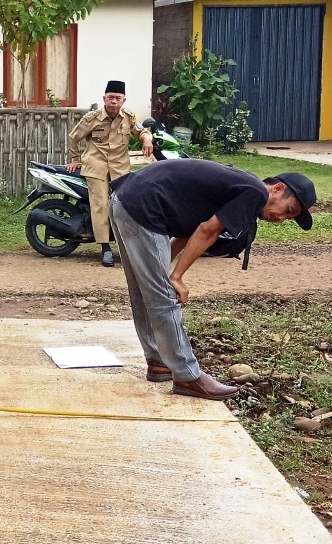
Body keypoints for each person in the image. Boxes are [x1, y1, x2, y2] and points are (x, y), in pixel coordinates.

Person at [108, 158, 316, 401]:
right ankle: (188, 376)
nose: (282, 219)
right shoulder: (255, 192)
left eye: (289, 218)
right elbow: (208, 231)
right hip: (143, 207)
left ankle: (159, 362)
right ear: (278, 189)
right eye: (288, 210)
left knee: (148, 291)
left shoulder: (238, 185)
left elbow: (192, 231)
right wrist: (174, 278)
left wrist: (162, 274)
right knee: (164, 297)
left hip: (126, 199)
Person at [67, 80, 153, 267]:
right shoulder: (92, 118)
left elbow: (142, 131)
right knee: (100, 206)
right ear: (104, 98)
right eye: (110, 97)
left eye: (118, 98)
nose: (114, 101)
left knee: (123, 206)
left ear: (123, 100)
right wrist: (75, 159)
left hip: (120, 169)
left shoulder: (129, 117)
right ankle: (105, 248)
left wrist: (147, 139)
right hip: (95, 167)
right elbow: (74, 138)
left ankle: (125, 246)